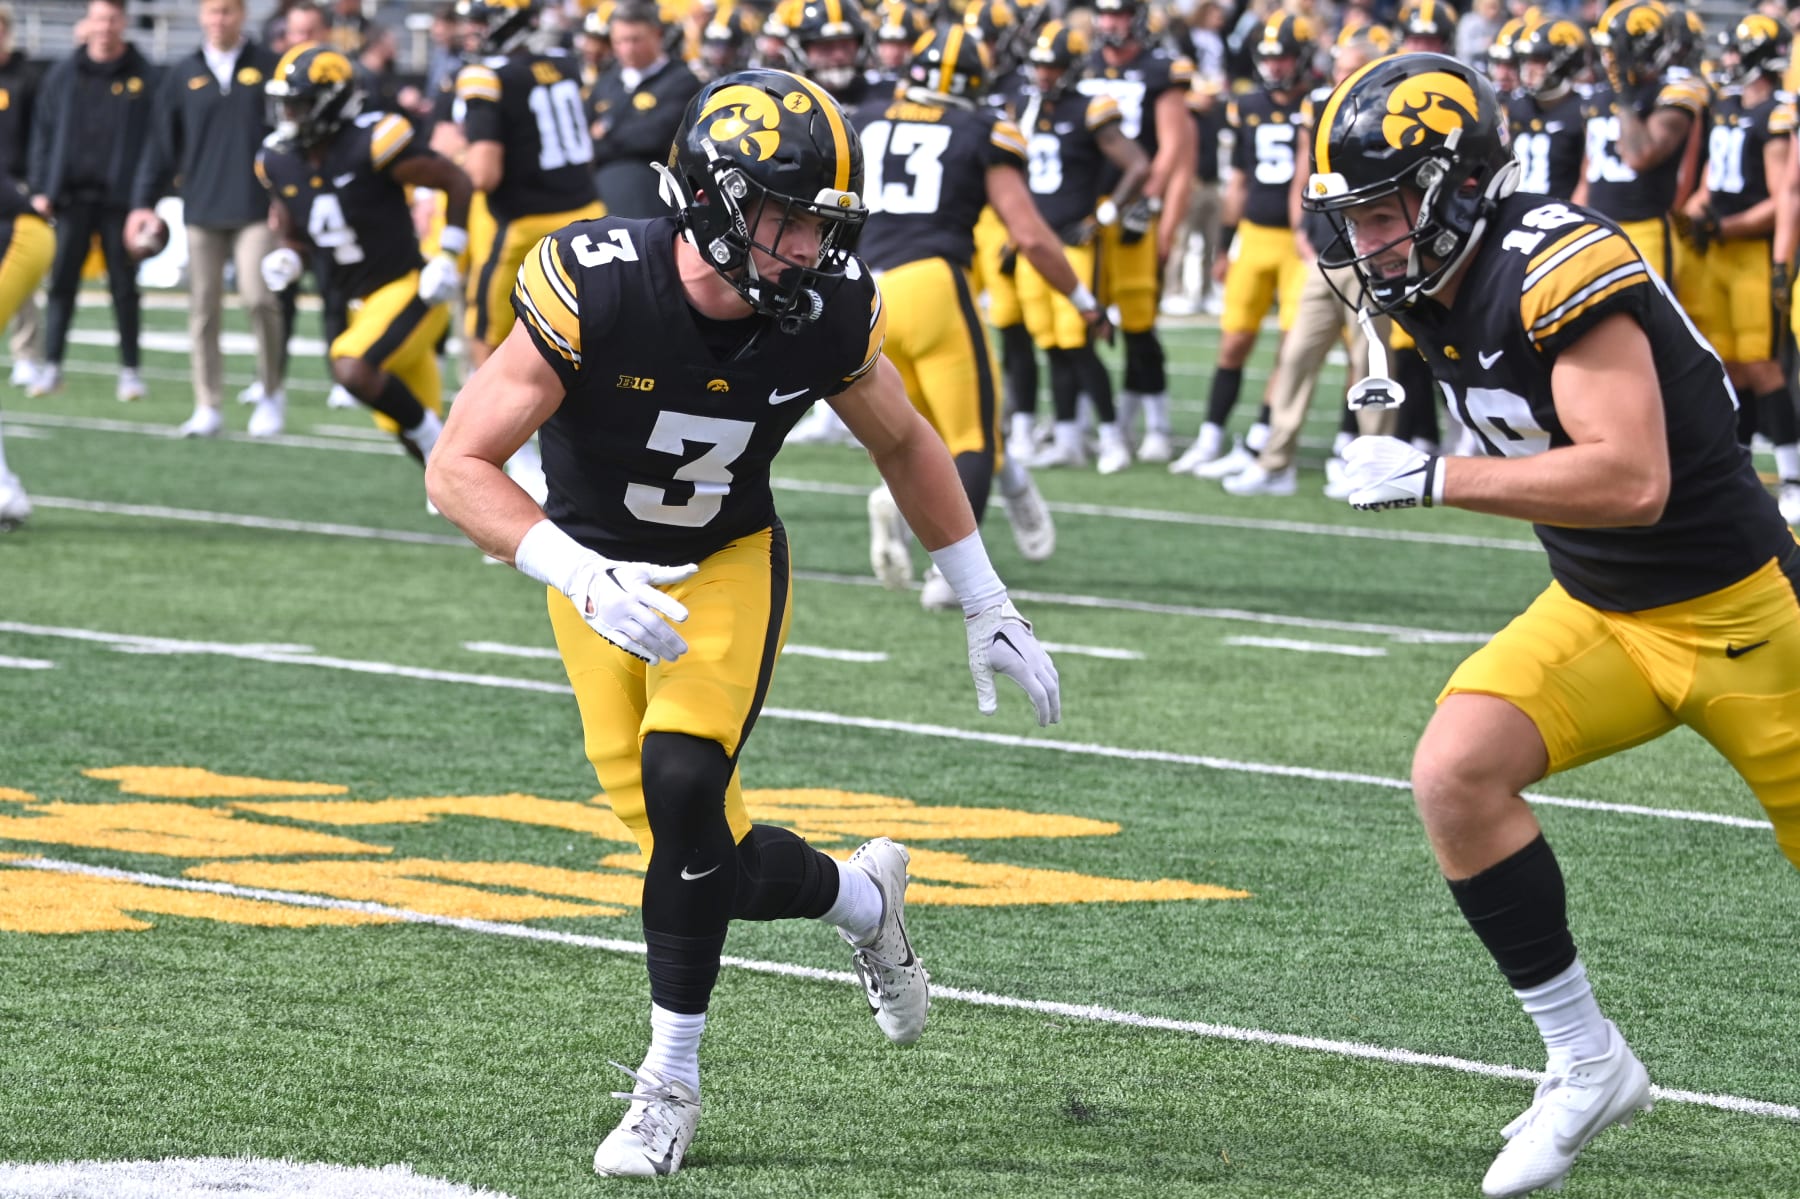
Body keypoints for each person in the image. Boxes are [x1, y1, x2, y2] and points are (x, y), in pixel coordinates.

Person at [425, 67, 1060, 1178]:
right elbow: (457, 465)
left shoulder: (823, 310)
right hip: (591, 572)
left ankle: (669, 1081)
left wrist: (982, 591)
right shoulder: (599, 282)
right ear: (713, 202)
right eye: (788, 220)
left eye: (824, 227)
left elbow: (907, 441)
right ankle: (865, 896)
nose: (808, 250)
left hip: (726, 562)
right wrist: (576, 573)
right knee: (693, 847)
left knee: (683, 782)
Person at [1306, 51, 1800, 1198]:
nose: (1364, 240)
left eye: (1384, 211)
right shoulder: (1434, 279)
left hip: (1744, 619)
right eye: (1354, 215)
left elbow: (1632, 479)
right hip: (1600, 607)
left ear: (1455, 188)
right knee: (1456, 772)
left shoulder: (1552, 263)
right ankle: (1587, 1060)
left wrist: (1434, 477)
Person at [853, 27, 1106, 608]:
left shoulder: (864, 117)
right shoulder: (979, 128)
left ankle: (989, 487)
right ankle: (953, 576)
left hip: (866, 293)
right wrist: (1085, 301)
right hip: (934, 284)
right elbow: (1030, 236)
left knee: (910, 437)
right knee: (971, 439)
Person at [256, 44, 471, 475]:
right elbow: (298, 232)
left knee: (352, 369)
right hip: (360, 307)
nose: (290, 115)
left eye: (299, 104)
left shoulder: (373, 141)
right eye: (285, 104)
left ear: (330, 101)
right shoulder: (278, 161)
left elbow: (457, 179)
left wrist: (448, 253)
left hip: (409, 289)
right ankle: (499, 511)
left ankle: (436, 442)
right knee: (424, 444)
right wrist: (290, 258)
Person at [1220, 32, 1393, 498]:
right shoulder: (1320, 107)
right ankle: (1277, 462)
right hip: (1325, 254)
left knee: (1370, 364)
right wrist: (1301, 226)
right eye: (1337, 69)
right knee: (1296, 357)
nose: (1339, 79)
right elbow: (1305, 167)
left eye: (1349, 70)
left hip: (1371, 257)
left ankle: (1374, 466)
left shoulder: (1388, 109)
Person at [129, 0, 286, 439]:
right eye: (213, 12)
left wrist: (288, 197)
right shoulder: (181, 74)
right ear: (201, 16)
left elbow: (288, 139)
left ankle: (271, 391)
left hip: (257, 207)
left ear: (242, 15)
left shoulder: (269, 67)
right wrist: (144, 202)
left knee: (258, 298)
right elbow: (161, 145)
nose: (220, 20)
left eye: (228, 12)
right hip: (201, 208)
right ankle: (208, 403)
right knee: (203, 309)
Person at [1171, 10, 1315, 479]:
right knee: (1233, 341)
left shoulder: (1318, 104)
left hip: (1300, 243)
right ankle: (1211, 434)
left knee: (1291, 349)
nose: (1275, 67)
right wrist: (1226, 246)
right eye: (1269, 58)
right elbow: (1238, 181)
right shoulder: (1246, 104)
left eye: (1284, 57)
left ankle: (1259, 438)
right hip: (1253, 235)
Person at [1013, 19, 1149, 474]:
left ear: (1071, 67)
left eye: (1052, 66)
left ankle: (1111, 437)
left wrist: (1103, 216)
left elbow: (1137, 165)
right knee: (1050, 342)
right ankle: (1068, 436)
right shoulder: (1025, 106)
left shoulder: (1091, 108)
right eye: (1039, 65)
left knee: (1080, 342)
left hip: (1073, 241)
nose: (1044, 74)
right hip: (1035, 243)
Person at [1687, 14, 1800, 524]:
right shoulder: (1727, 107)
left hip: (1751, 249)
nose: (1728, 61)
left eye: (1737, 52)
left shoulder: (1777, 115)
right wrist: (1695, 212)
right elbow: (1711, 179)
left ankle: (1794, 478)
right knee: (1726, 366)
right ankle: (1740, 474)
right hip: (1719, 253)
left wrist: (1726, 228)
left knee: (1763, 365)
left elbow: (1783, 198)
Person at [453, 0, 601, 372]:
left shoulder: (484, 76)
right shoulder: (564, 63)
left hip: (524, 224)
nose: (471, 30)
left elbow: (485, 175)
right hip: (589, 214)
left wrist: (455, 164)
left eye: (479, 22)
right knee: (590, 332)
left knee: (485, 331)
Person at [1079, 0, 1195, 464]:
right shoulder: (1083, 64)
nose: (1111, 24)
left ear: (1138, 18)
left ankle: (1157, 427)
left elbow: (1172, 147)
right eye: (1105, 14)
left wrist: (1149, 206)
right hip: (1088, 211)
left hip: (1131, 212)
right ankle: (1103, 422)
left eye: (1121, 14)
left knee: (1138, 322)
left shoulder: (1159, 69)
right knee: (1084, 319)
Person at [25, 0, 159, 403]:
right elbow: (43, 135)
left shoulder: (145, 76)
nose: (105, 26)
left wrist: (144, 197)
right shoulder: (63, 74)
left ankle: (130, 371)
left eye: (113, 19)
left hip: (121, 202)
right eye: (99, 18)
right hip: (70, 198)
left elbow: (154, 141)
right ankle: (52, 366)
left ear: (124, 23)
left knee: (123, 285)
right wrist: (42, 188)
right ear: (88, 22)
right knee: (62, 283)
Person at [587, 2, 699, 217]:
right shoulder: (607, 81)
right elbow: (583, 135)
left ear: (657, 35)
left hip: (654, 192)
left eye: (635, 40)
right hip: (602, 191)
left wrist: (605, 134)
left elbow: (655, 137)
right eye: (620, 41)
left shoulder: (681, 80)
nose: (627, 48)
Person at [0, 4, 45, 393]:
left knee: (20, 276)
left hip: (14, 191)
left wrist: (33, 186)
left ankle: (26, 354)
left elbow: (39, 135)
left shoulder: (26, 78)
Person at [1506, 19, 1587, 201]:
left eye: (1538, 61)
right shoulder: (1516, 105)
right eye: (1526, 61)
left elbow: (1587, 179)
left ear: (1565, 61)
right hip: (1515, 209)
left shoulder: (1581, 110)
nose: (1529, 69)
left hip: (1560, 214)